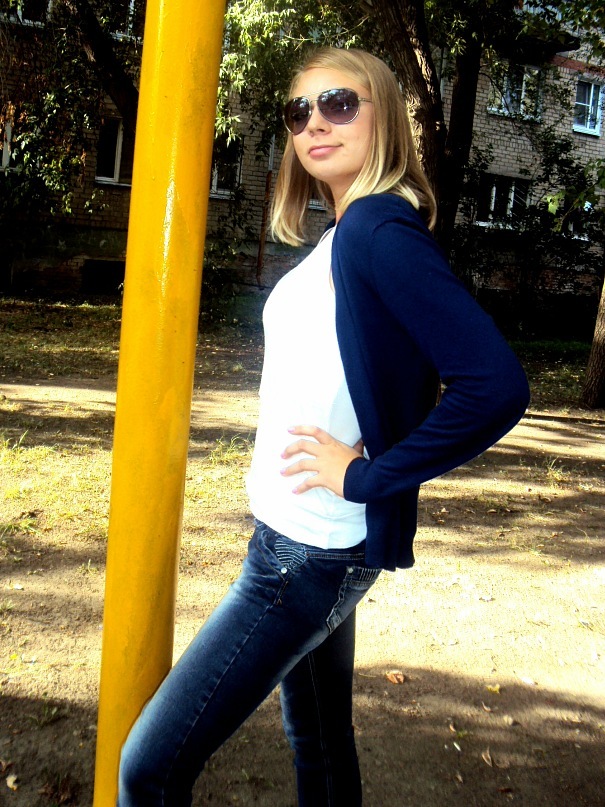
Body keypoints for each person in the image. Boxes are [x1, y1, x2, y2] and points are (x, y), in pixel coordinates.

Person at [117, 47, 530, 806]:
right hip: (306, 539)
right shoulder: (347, 232)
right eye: (298, 110)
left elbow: (494, 385)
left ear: (385, 119)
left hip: (305, 556)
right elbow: (386, 368)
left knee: (147, 768)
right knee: (319, 741)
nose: (314, 122)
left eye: (338, 103)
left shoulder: (377, 227)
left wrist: (368, 474)